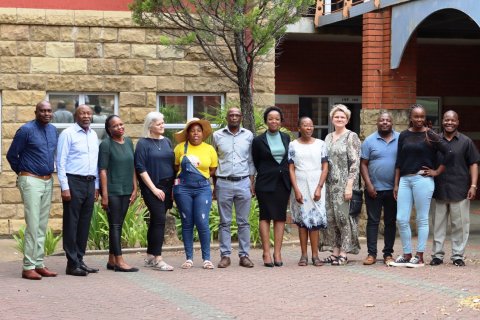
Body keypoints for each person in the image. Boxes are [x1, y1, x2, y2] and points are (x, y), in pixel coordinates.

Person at [389, 104, 452, 268]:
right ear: (410, 117)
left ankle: (420, 256)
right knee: (401, 219)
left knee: (422, 219)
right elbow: (399, 161)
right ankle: (407, 254)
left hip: (422, 180)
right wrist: (396, 184)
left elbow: (449, 153)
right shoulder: (403, 135)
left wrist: (437, 171)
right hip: (405, 180)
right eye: (416, 116)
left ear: (425, 118)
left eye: (422, 116)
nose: (419, 119)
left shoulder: (430, 134)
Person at [6, 101, 58, 280]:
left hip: (47, 180)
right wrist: (23, 173)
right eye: (42, 111)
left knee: (42, 225)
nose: (46, 113)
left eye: (49, 111)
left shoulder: (52, 130)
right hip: (31, 180)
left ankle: (38, 263)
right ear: (35, 112)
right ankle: (28, 266)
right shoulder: (25, 130)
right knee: (33, 224)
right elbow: (12, 155)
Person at [430, 110, 480, 267]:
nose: (449, 122)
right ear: (442, 121)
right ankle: (437, 255)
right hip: (439, 189)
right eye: (446, 119)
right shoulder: (435, 140)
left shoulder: (466, 142)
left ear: (457, 122)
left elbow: (474, 163)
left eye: (452, 120)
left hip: (460, 189)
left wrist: (473, 185)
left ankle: (458, 255)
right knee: (438, 225)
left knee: (460, 225)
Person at [57, 105, 100, 276]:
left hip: (90, 183)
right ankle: (71, 263)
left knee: (84, 223)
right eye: (82, 113)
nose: (86, 116)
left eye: (89, 113)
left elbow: (95, 162)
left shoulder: (94, 134)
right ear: (76, 115)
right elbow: (60, 161)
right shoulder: (68, 134)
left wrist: (96, 186)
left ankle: (80, 260)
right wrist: (64, 186)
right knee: (71, 223)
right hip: (73, 181)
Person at [212, 107, 255, 268]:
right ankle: (225, 255)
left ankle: (244, 255)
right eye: (231, 115)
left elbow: (250, 160)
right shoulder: (217, 136)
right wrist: (214, 186)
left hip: (243, 182)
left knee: (243, 222)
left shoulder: (248, 135)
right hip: (223, 182)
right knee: (225, 222)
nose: (234, 117)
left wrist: (251, 183)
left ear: (241, 117)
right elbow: (213, 161)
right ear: (227, 117)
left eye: (237, 115)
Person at [173, 118, 218, 270]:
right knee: (187, 223)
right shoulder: (180, 148)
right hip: (183, 189)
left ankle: (206, 259)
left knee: (202, 221)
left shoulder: (209, 149)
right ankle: (189, 258)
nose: (196, 133)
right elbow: (176, 167)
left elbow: (212, 170)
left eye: (198, 131)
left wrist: (201, 178)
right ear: (188, 133)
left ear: (203, 133)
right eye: (192, 131)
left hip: (202, 189)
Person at [134, 112, 175, 271]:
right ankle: (158, 259)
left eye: (163, 123)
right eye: (159, 124)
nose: (162, 126)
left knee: (156, 221)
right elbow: (140, 168)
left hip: (167, 187)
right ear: (150, 125)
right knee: (159, 220)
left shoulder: (167, 142)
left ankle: (150, 256)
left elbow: (172, 164)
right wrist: (154, 189)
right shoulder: (143, 144)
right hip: (153, 188)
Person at [321, 104, 361, 266]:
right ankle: (335, 251)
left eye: (342, 117)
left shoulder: (351, 136)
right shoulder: (328, 137)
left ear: (347, 120)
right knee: (331, 219)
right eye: (336, 117)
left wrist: (350, 185)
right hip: (329, 185)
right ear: (332, 119)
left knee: (344, 218)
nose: (339, 119)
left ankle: (344, 252)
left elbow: (355, 163)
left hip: (345, 184)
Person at [252, 106, 291, 267]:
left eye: (277, 118)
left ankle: (277, 253)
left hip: (283, 182)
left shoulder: (287, 138)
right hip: (265, 183)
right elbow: (255, 162)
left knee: (280, 217)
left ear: (281, 121)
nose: (274, 121)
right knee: (265, 216)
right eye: (270, 119)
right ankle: (266, 252)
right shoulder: (258, 140)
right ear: (266, 121)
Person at [99, 115, 139, 272]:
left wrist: (135, 188)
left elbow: (132, 166)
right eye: (115, 126)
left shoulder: (128, 142)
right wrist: (105, 195)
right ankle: (120, 262)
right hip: (113, 190)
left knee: (117, 225)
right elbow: (102, 170)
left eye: (121, 124)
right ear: (109, 130)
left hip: (127, 189)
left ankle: (111, 260)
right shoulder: (106, 145)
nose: (119, 127)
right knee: (115, 225)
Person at [288, 116, 328, 267]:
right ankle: (303, 255)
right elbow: (291, 168)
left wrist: (319, 187)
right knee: (303, 221)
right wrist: (296, 190)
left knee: (316, 221)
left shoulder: (321, 144)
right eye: (305, 125)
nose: (309, 128)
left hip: (316, 183)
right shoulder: (293, 145)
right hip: (300, 184)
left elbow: (325, 167)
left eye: (311, 125)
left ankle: (315, 256)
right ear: (299, 128)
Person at [360, 112, 399, 266]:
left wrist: (397, 185)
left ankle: (388, 254)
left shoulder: (400, 139)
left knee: (390, 222)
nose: (384, 122)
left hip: (393, 190)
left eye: (387, 120)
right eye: (381, 120)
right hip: (373, 190)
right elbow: (363, 164)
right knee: (373, 222)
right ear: (377, 123)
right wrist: (369, 185)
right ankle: (371, 254)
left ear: (392, 122)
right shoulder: (369, 141)